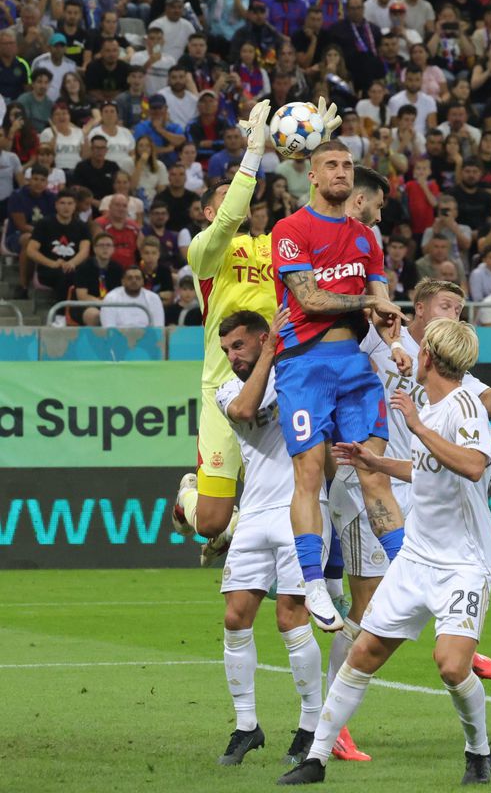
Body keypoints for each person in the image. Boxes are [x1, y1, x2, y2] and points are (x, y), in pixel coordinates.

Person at [321, 276, 491, 760]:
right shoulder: (381, 340)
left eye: (459, 308)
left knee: (404, 591)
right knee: (369, 607)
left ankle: (455, 640)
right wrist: (379, 316)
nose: (453, 314)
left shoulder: (449, 367)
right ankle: (333, 724)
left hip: (422, 485)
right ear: (417, 308)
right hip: (366, 483)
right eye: (445, 305)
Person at [280, 319, 491, 786]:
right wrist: (378, 463)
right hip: (417, 558)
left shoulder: (463, 407)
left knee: (451, 665)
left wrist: (415, 427)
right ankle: (315, 759)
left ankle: (478, 752)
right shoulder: (434, 406)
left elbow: (474, 467)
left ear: (428, 359)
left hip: (462, 563)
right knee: (364, 654)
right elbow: (427, 469)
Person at [270, 138, 405, 631]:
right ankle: (311, 584)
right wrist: (369, 305)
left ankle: (408, 568)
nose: (341, 172)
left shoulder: (367, 237)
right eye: (331, 164)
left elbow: (380, 295)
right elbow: (309, 300)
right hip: (304, 363)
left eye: (347, 165)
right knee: (309, 472)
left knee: (373, 468)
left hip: (353, 363)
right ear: (312, 174)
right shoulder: (290, 230)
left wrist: (392, 336)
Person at [172, 100, 293, 563]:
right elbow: (228, 217)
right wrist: (254, 151)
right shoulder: (205, 254)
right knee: (212, 522)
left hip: (275, 384)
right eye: (223, 199)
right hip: (222, 386)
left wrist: (317, 155)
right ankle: (189, 498)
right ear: (207, 213)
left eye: (238, 196)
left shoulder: (272, 246)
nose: (234, 204)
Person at [211, 308, 328, 767]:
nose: (232, 357)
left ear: (263, 338)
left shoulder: (298, 373)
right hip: (256, 512)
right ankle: (246, 726)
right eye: (226, 350)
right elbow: (244, 409)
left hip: (300, 510)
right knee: (236, 616)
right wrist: (270, 353)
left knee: (290, 617)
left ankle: (312, 725)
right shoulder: (227, 391)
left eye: (239, 346)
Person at [100, 264, 167, 327]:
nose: (134, 281)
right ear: (123, 281)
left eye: (138, 278)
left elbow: (158, 329)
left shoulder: (153, 298)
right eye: (130, 278)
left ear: (143, 282)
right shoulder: (111, 299)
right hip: (119, 338)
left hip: (147, 338)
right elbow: (109, 330)